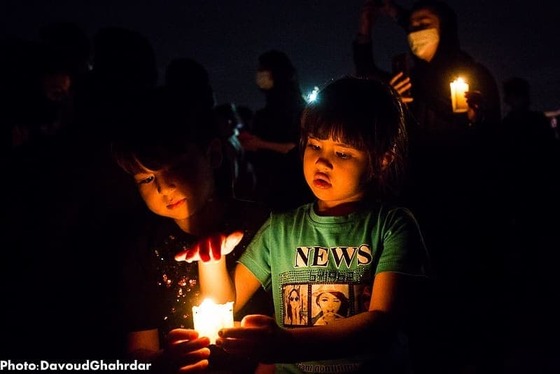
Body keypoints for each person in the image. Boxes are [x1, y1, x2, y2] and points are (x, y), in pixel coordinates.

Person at [176, 76, 432, 373]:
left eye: (342, 152)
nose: (322, 162)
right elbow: (226, 301)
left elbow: (381, 323)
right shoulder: (281, 229)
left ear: (383, 159)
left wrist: (286, 345)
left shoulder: (392, 226)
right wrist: (212, 259)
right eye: (314, 145)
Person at [354, 2, 507, 370]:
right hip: (417, 199)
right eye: (413, 23)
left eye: (426, 22)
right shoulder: (407, 76)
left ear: (446, 28)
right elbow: (368, 78)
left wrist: (475, 119)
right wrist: (398, 102)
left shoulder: (472, 73)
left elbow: (490, 140)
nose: (416, 30)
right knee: (423, 294)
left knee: (466, 287)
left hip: (465, 201)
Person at [111, 87, 273, 373]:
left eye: (174, 167)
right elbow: (139, 347)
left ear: (212, 155)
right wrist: (162, 363)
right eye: (147, 179)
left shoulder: (263, 227)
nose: (164, 188)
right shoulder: (144, 246)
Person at [238, 49, 313, 211]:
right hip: (274, 185)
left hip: (289, 186)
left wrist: (259, 143)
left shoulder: (291, 105)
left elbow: (296, 146)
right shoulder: (272, 105)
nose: (259, 74)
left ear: (276, 72)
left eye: (262, 70)